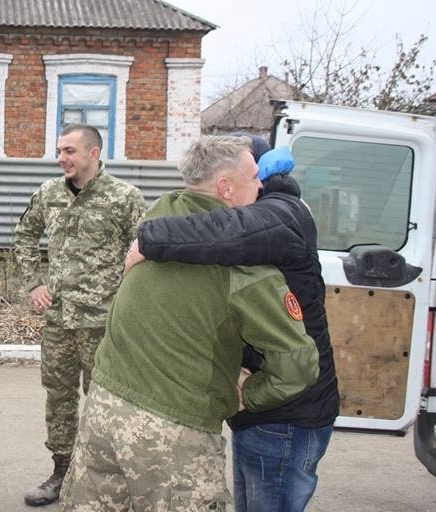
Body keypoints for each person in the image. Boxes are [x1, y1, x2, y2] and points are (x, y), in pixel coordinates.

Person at [59, 134, 320, 511]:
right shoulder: (247, 267)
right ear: (226, 188)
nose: (262, 184)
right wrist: (248, 395)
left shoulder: (159, 214)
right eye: (254, 176)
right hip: (172, 433)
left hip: (102, 409)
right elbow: (298, 363)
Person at [126, 145, 339, 512]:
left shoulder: (282, 212)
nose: (256, 183)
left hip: (286, 413)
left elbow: (229, 230)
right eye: (252, 175)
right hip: (267, 410)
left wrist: (149, 239)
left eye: (257, 175)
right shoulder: (266, 209)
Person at [13, 123, 146, 507]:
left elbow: (145, 248)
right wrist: (33, 284)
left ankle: (109, 479)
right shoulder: (49, 193)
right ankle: (61, 472)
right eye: (59, 150)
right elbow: (24, 235)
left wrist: (125, 294)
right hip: (58, 320)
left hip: (103, 322)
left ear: (94, 152)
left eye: (69, 150)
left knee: (107, 400)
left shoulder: (124, 197)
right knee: (59, 398)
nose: (62, 158)